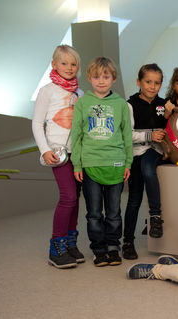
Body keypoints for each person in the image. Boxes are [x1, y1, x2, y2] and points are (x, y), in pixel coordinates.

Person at [71, 57, 133, 267]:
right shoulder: (83, 102)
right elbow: (76, 135)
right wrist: (77, 165)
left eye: (105, 77)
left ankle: (113, 247)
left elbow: (127, 136)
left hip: (115, 163)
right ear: (89, 78)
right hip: (90, 165)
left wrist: (128, 164)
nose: (101, 81)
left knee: (114, 212)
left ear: (113, 78)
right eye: (96, 77)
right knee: (94, 213)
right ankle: (98, 249)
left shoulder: (121, 104)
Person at [32, 44, 84, 269]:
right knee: (68, 197)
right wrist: (45, 149)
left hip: (78, 153)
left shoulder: (79, 93)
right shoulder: (47, 90)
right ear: (54, 65)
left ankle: (71, 242)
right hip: (58, 153)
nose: (69, 67)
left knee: (75, 200)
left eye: (73, 64)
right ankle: (57, 245)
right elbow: (36, 122)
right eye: (64, 63)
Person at [122, 64, 172, 259]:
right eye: (148, 82)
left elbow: (172, 130)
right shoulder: (130, 104)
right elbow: (127, 135)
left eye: (157, 83)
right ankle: (127, 242)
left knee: (149, 169)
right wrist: (150, 135)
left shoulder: (164, 104)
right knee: (133, 199)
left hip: (156, 152)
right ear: (139, 82)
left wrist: (168, 117)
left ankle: (155, 216)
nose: (152, 86)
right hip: (135, 152)